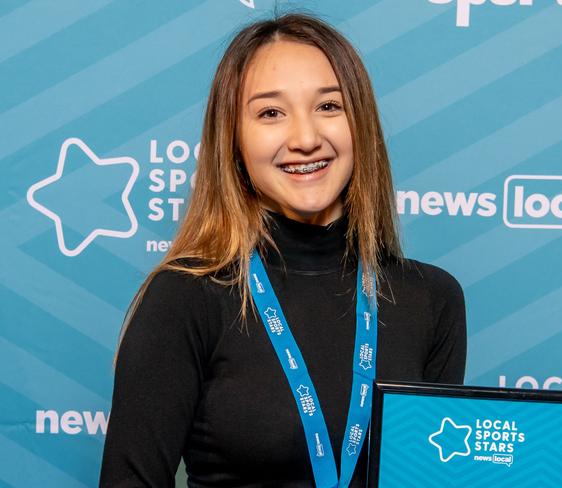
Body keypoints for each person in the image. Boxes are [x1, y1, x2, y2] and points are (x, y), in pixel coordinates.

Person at [99, 11, 466, 488]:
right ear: (233, 139)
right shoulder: (186, 297)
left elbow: (435, 479)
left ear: (362, 125)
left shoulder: (430, 299)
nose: (306, 138)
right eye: (270, 113)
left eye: (329, 107)